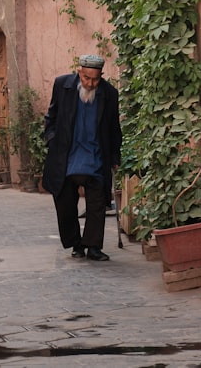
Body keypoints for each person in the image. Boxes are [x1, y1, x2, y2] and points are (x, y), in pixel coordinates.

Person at [43, 54, 122, 261]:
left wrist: (114, 155)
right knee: (66, 204)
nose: (90, 83)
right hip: (67, 156)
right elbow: (51, 117)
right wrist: (51, 140)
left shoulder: (109, 93)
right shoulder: (63, 86)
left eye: (95, 79)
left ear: (101, 76)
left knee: (97, 204)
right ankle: (76, 244)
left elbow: (114, 128)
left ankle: (93, 246)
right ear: (80, 73)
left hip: (95, 156)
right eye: (87, 78)